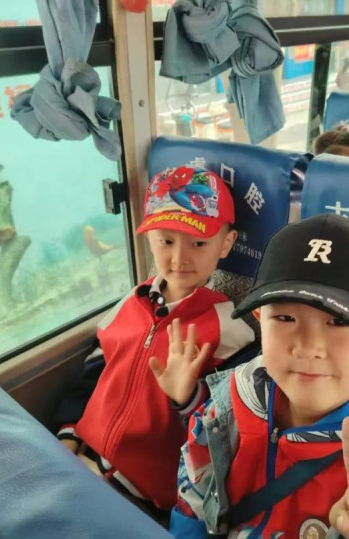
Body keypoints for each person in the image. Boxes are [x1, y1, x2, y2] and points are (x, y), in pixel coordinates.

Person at [169, 214, 349, 538]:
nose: (307, 347)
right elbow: (192, 509)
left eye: (338, 322)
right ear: (259, 318)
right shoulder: (225, 407)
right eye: (284, 318)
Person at [55, 164, 255, 513]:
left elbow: (230, 422)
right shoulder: (131, 302)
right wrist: (69, 431)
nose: (179, 259)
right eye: (166, 241)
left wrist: (188, 397)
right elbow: (97, 371)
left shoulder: (230, 328)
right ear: (148, 239)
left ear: (226, 243)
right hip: (82, 455)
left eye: (198, 243)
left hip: (145, 495)